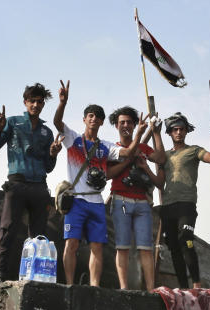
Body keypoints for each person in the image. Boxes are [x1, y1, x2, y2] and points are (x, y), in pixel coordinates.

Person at [53, 80, 148, 286]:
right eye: (91, 116)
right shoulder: (73, 139)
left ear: (102, 122)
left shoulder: (105, 146)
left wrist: (139, 132)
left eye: (98, 117)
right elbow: (57, 123)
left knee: (97, 246)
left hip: (96, 202)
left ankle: (94, 286)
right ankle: (69, 284)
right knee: (72, 243)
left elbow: (128, 152)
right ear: (85, 119)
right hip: (76, 200)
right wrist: (62, 103)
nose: (94, 119)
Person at [0, 82, 63, 282]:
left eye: (39, 101)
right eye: (32, 101)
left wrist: (53, 154)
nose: (36, 105)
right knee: (7, 230)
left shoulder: (46, 132)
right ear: (25, 102)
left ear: (43, 104)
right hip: (17, 183)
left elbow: (48, 167)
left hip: (39, 186)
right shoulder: (12, 122)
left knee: (39, 237)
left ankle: (35, 277)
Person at [157, 111, 210, 289]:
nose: (178, 132)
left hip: (186, 204)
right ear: (169, 132)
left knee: (186, 239)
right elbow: (159, 182)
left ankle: (197, 284)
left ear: (186, 131)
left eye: (182, 129)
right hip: (168, 206)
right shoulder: (164, 157)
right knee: (174, 248)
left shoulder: (194, 150)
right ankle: (183, 287)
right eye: (175, 129)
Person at [105, 106, 165, 291]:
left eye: (129, 122)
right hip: (121, 199)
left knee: (145, 248)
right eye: (122, 122)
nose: (126, 125)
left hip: (142, 202)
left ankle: (150, 289)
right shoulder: (112, 148)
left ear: (133, 125)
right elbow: (107, 174)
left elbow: (161, 158)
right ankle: (124, 288)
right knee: (122, 247)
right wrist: (129, 161)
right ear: (116, 125)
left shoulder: (142, 148)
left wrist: (156, 133)